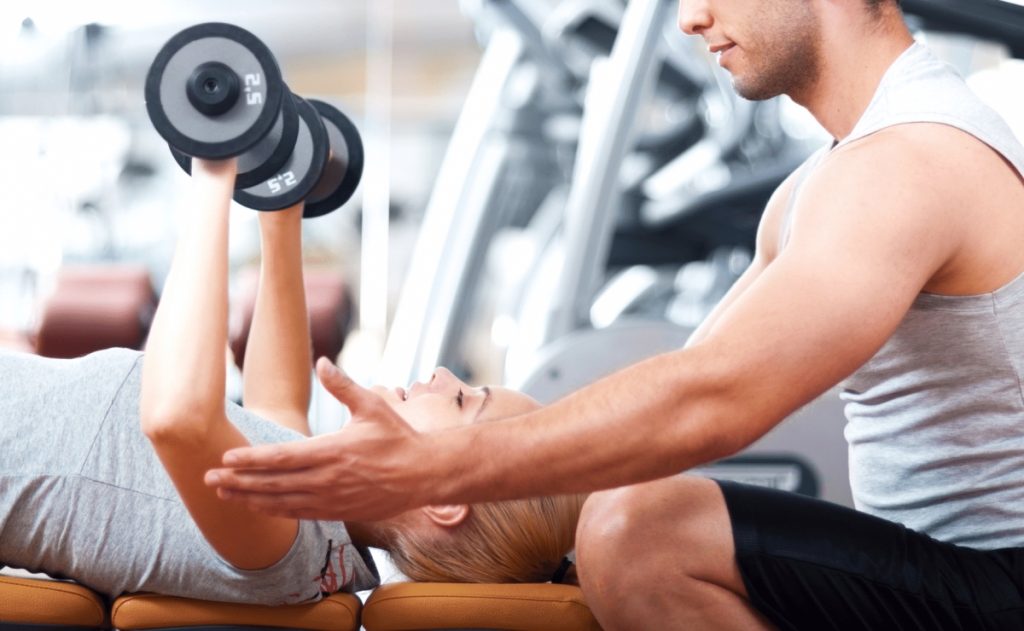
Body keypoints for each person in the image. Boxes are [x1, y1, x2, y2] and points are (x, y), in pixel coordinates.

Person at [205, 0, 1024, 628]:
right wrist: (456, 514)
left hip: (1000, 576)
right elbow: (669, 398)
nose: (693, 16)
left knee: (642, 529)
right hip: (948, 567)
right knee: (635, 506)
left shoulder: (908, 161)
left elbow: (715, 399)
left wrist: (440, 468)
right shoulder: (822, 183)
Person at [0, 158, 584, 605]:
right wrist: (281, 210)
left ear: (444, 498)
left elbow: (177, 416)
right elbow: (276, 407)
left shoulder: (283, 549)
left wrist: (214, 175)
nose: (441, 374)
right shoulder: (320, 523)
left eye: (462, 400)